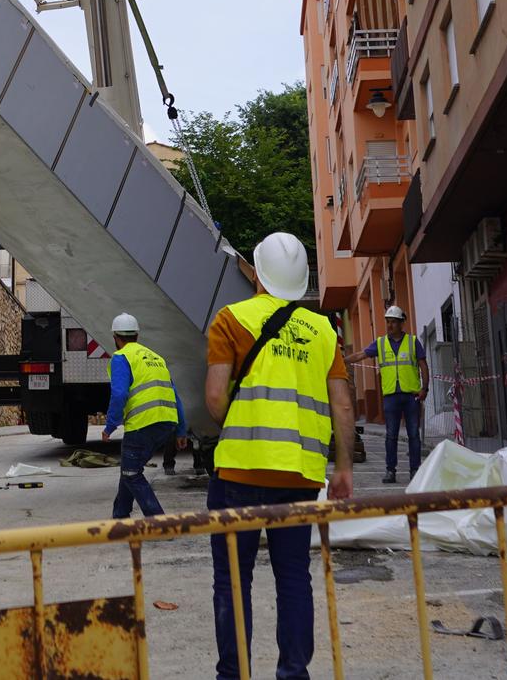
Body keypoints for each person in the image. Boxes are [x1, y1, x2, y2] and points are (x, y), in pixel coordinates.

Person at [205, 232, 354, 680]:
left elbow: (215, 397)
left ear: (257, 272)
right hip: (300, 476)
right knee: (293, 577)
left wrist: (237, 422)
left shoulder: (231, 319)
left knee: (233, 579)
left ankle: (234, 674)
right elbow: (342, 404)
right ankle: (294, 672)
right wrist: (343, 467)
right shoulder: (324, 331)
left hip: (238, 473)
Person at [98, 312, 180, 518]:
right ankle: (120, 516)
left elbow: (119, 394)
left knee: (132, 472)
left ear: (116, 337)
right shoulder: (156, 358)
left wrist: (110, 426)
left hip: (143, 424)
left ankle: (160, 524)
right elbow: (176, 395)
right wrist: (181, 430)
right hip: (167, 422)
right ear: (137, 335)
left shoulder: (121, 357)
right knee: (129, 468)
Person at [352, 305, 427, 483]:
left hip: (411, 396)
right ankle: (390, 471)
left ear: (402, 323)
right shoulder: (380, 343)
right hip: (391, 396)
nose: (390, 325)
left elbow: (423, 365)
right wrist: (339, 360)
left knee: (414, 435)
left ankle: (414, 471)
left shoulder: (412, 341)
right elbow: (361, 354)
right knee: (391, 435)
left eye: (393, 322)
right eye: (388, 322)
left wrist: (425, 388)